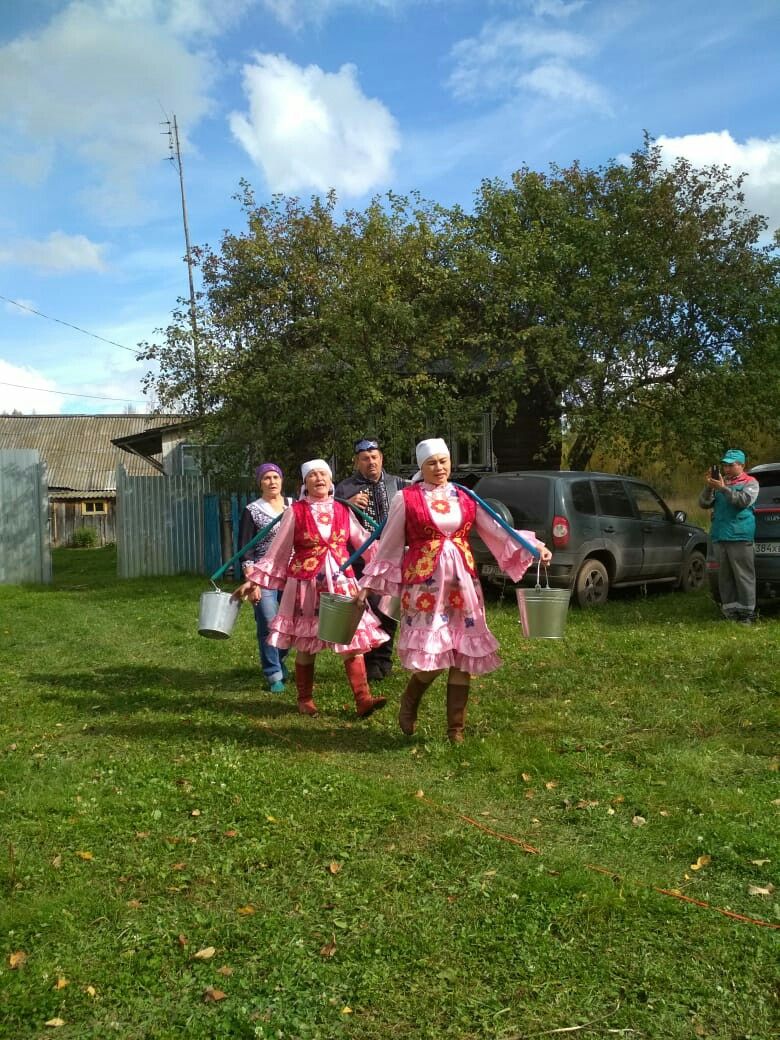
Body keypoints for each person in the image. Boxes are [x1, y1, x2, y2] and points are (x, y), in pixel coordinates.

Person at [356, 438, 552, 742]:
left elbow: (497, 527)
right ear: (421, 467)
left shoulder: (465, 495)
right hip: (426, 585)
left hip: (463, 582)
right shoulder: (406, 498)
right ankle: (410, 700)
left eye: (443, 461)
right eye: (432, 463)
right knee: (435, 654)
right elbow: (390, 544)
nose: (439, 468)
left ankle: (455, 730)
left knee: (462, 653)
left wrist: (535, 547)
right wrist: (368, 585)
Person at [234, 459, 389, 718]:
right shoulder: (295, 511)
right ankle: (305, 698)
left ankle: (363, 699)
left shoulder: (342, 509)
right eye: (313, 476)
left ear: (331, 482)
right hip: (305, 584)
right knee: (306, 643)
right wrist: (255, 579)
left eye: (323, 475)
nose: (319, 479)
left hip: (340, 581)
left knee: (350, 640)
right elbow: (278, 551)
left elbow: (363, 542)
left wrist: (388, 562)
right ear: (305, 483)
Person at [335, 437, 409, 681]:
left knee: (388, 609)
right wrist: (347, 504)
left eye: (374, 457)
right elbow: (332, 515)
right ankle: (368, 660)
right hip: (360, 561)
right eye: (365, 459)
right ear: (357, 462)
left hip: (393, 557)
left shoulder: (398, 484)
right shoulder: (344, 489)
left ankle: (382, 660)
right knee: (366, 610)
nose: (371, 462)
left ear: (381, 458)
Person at [237, 462, 293, 693]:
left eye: (275, 477)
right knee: (269, 622)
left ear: (281, 481)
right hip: (264, 573)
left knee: (292, 623)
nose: (272, 482)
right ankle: (273, 673)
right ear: (260, 482)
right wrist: (252, 581)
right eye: (267, 478)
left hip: (293, 572)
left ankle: (279, 657)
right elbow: (245, 549)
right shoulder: (252, 510)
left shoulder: (293, 506)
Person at [699, 449, 759, 624]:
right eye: (724, 465)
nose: (726, 468)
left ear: (741, 465)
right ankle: (730, 613)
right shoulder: (720, 483)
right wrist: (710, 487)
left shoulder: (751, 482)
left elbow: (742, 501)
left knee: (743, 576)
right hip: (720, 535)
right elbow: (703, 503)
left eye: (731, 465)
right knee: (724, 577)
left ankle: (747, 614)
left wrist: (723, 489)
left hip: (740, 535)